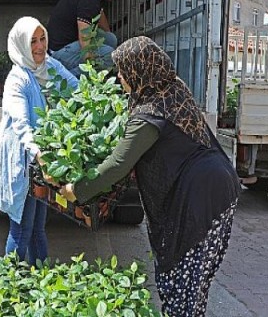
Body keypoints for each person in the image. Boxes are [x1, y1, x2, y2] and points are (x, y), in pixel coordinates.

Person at [60, 36, 241, 317]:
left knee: (182, 287)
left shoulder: (149, 114)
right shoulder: (170, 88)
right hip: (220, 186)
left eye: (122, 69)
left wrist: (76, 190)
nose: (118, 76)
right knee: (194, 288)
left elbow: (117, 165)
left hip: (199, 198)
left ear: (139, 69)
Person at [0, 16, 78, 265]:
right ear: (21, 45)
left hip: (41, 161)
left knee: (38, 227)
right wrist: (40, 156)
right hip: (24, 160)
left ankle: (40, 284)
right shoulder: (17, 80)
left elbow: (75, 87)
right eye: (32, 42)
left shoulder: (49, 66)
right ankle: (8, 289)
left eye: (42, 39)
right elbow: (22, 126)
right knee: (22, 229)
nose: (39, 47)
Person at [47, 0, 126, 76]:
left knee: (111, 39)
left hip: (70, 42)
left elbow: (100, 13)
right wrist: (93, 63)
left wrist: (108, 34)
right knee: (110, 55)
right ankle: (64, 79)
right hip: (59, 52)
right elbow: (85, 40)